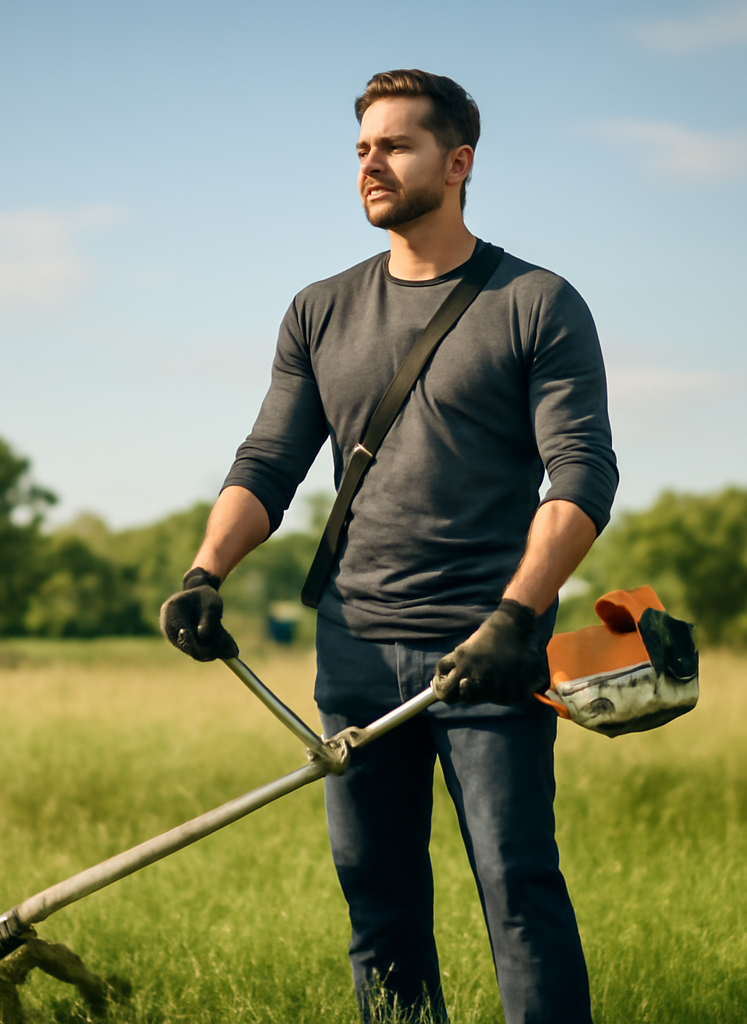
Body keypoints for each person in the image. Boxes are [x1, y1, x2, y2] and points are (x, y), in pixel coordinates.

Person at [161, 69, 618, 1024]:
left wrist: (516, 617)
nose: (372, 163)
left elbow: (581, 476)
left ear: (457, 164)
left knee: (519, 893)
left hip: (487, 658)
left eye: (395, 145)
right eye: (362, 147)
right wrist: (208, 571)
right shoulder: (319, 310)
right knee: (379, 906)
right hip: (357, 653)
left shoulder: (536, 302)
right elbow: (268, 463)